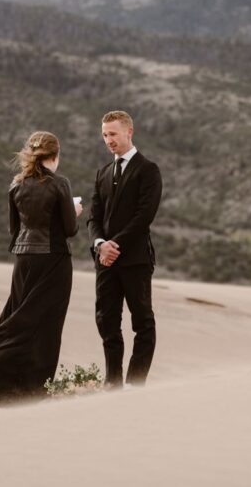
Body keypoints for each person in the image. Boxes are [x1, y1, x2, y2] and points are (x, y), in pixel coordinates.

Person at [0, 131, 82, 405]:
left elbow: (14, 229)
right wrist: (73, 210)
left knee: (20, 318)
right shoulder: (61, 184)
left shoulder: (16, 184)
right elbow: (69, 229)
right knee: (46, 326)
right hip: (53, 260)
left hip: (23, 262)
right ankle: (33, 389)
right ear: (55, 156)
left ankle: (5, 376)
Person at [88, 110, 162, 388]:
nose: (108, 140)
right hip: (105, 261)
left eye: (113, 134)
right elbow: (94, 216)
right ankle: (113, 382)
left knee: (142, 321)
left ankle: (135, 383)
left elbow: (145, 215)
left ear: (129, 132)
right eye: (105, 135)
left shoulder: (148, 169)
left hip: (135, 259)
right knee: (106, 321)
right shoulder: (103, 172)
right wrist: (100, 245)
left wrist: (114, 245)